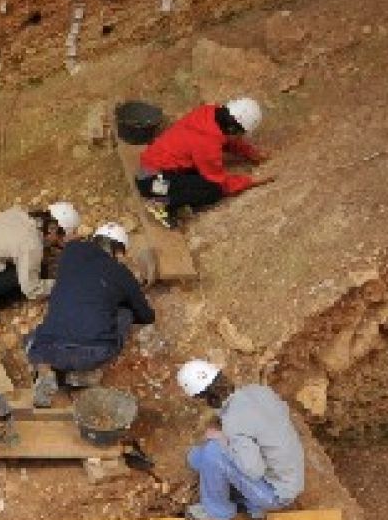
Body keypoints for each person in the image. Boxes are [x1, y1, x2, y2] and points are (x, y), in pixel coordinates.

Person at [26, 223, 155, 407]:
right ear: (117, 251)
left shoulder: (70, 252)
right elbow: (146, 316)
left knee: (37, 335)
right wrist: (127, 294)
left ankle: (45, 370)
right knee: (125, 312)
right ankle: (81, 375)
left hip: (48, 347)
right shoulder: (121, 273)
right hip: (93, 351)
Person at [175, 359, 305, 520]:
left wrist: (224, 439)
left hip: (275, 494)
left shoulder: (234, 422)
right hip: (288, 476)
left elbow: (253, 470)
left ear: (200, 396)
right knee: (196, 457)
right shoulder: (259, 391)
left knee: (213, 452)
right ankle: (248, 503)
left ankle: (218, 511)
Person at [135, 98, 271, 227]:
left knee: (197, 176)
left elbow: (227, 140)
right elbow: (220, 182)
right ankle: (161, 203)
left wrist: (251, 153)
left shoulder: (209, 113)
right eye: (240, 133)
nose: (239, 136)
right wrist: (249, 182)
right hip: (151, 183)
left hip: (151, 169)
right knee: (212, 190)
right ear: (233, 129)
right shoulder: (207, 144)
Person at [0, 201, 80, 321]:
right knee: (26, 283)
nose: (59, 241)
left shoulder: (18, 213)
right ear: (52, 229)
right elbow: (32, 290)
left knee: (32, 266)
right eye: (60, 237)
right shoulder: (31, 245)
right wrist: (62, 284)